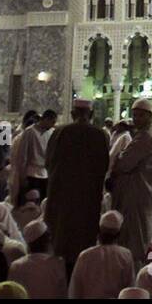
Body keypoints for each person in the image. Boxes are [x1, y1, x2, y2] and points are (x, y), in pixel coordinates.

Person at [44, 100, 109, 269]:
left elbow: (48, 163)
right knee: (83, 238)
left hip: (62, 196)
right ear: (92, 115)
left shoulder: (59, 132)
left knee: (61, 237)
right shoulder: (100, 134)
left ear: (72, 114)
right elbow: (104, 166)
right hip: (88, 198)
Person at [110, 98, 152, 262]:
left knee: (134, 233)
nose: (136, 119)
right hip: (139, 190)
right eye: (134, 115)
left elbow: (124, 163)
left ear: (149, 117)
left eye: (140, 116)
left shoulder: (145, 137)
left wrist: (118, 157)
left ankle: (133, 267)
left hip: (137, 191)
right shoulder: (145, 135)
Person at [69, 210, 134, 299]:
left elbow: (75, 289)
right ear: (119, 234)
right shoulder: (125, 255)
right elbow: (129, 290)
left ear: (99, 231)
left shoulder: (85, 255)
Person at [7, 219, 67, 299]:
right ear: (47, 240)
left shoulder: (16, 265)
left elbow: (12, 294)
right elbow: (63, 292)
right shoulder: (57, 263)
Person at [9, 110, 56, 205]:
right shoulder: (29, 132)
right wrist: (22, 176)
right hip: (31, 173)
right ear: (46, 119)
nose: (53, 125)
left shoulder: (51, 132)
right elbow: (23, 156)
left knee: (44, 203)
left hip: (45, 173)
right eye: (52, 122)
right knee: (31, 202)